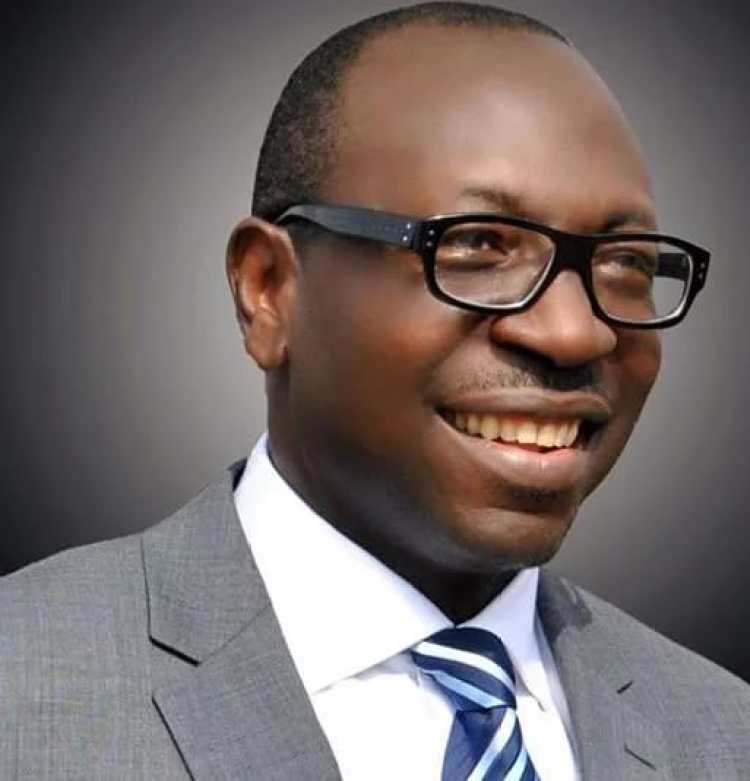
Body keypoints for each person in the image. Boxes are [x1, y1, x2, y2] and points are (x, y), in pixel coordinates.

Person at [2, 3, 748, 779]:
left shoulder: (725, 734)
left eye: (625, 261)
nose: (573, 333)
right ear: (269, 289)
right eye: (477, 244)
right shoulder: (24, 691)